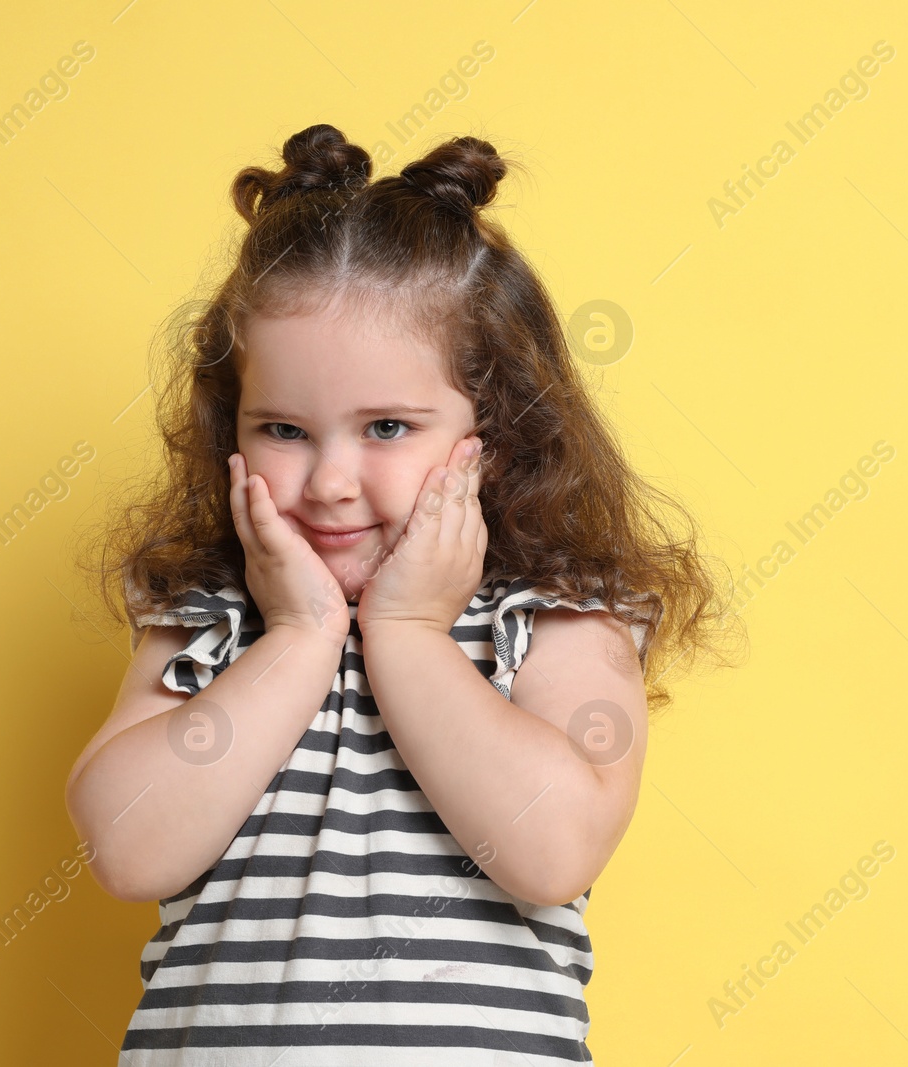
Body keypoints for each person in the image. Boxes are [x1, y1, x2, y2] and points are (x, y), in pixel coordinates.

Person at [65, 123, 735, 1065]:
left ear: (494, 434)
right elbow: (127, 850)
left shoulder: (554, 615)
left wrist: (412, 632)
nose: (331, 478)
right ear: (231, 429)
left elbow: (554, 851)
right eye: (283, 429)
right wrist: (297, 635)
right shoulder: (212, 617)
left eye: (386, 426)